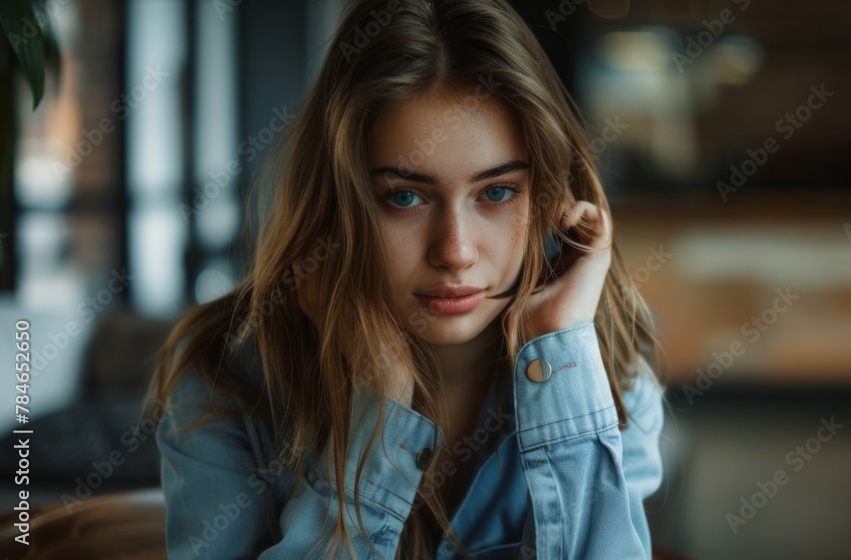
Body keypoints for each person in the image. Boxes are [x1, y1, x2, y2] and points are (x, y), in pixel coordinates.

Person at [143, 0, 669, 557]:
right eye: (405, 197)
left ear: (547, 200)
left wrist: (555, 344)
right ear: (337, 208)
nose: (455, 252)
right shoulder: (224, 380)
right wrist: (377, 411)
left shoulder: (609, 377)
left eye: (496, 192)